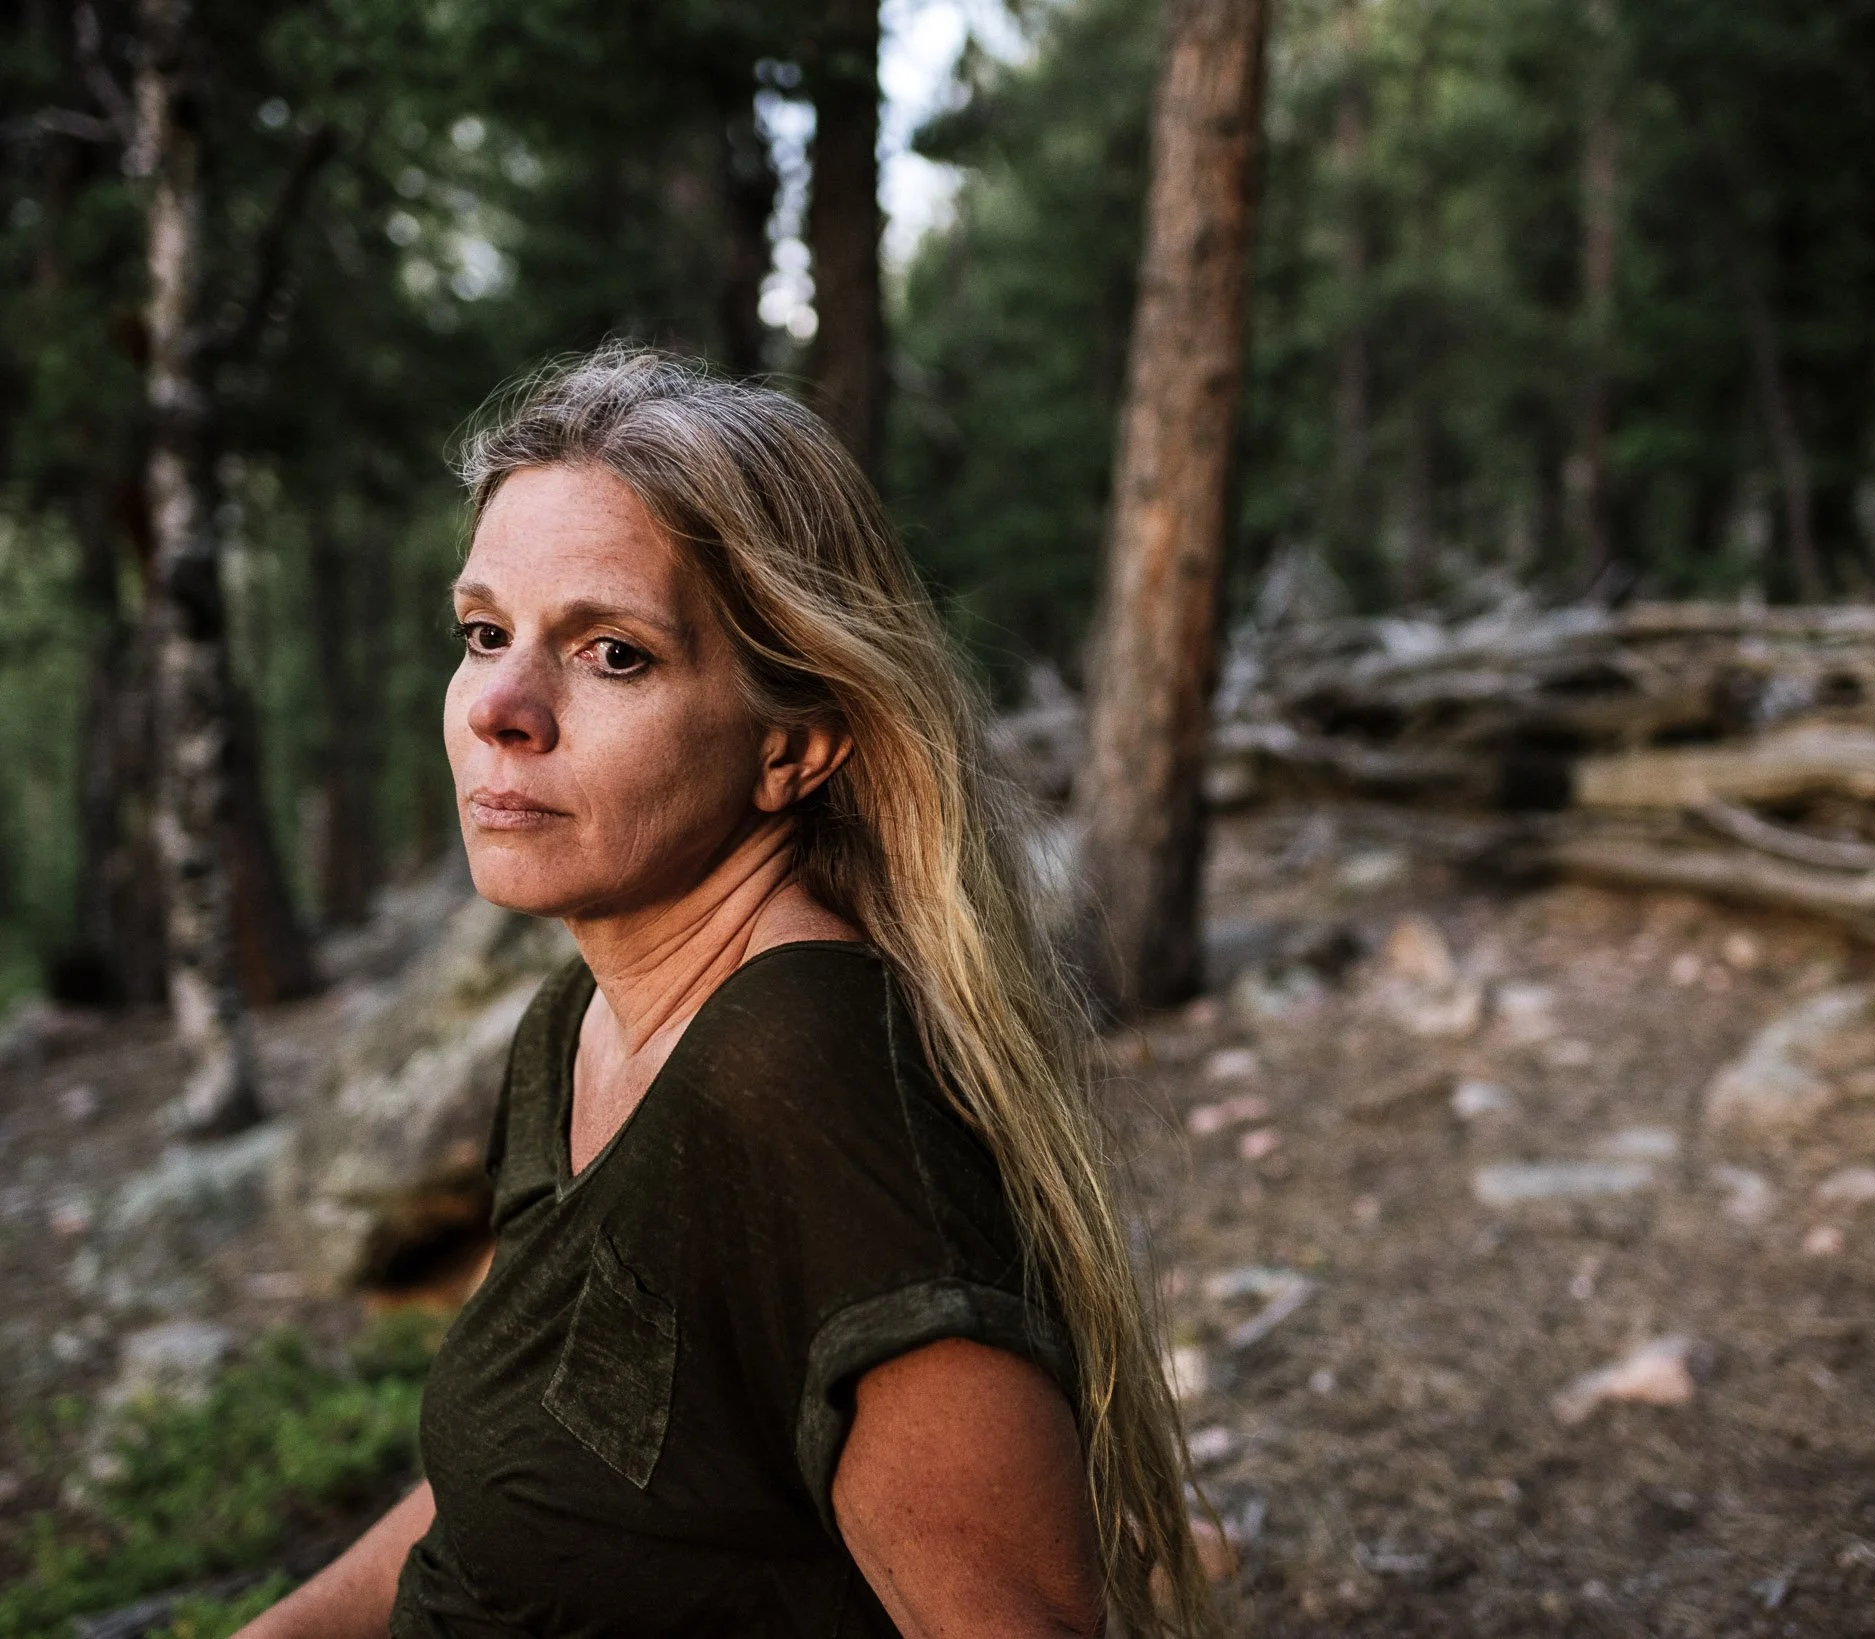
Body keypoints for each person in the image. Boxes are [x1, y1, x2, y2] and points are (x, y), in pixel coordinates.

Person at [237, 348, 1215, 1639]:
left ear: (792, 746)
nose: (504, 710)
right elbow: (512, 1486)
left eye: (614, 654)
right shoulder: (578, 1027)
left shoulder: (803, 1075)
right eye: (485, 634)